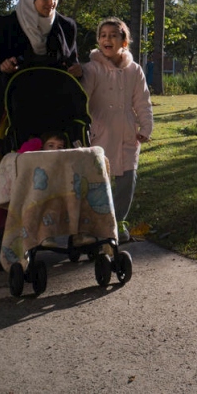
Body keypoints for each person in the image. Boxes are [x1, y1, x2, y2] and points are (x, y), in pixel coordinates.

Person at [0, 0, 80, 266]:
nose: (51, 3)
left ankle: (57, 227)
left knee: (55, 164)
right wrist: (3, 65)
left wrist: (76, 69)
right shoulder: (9, 23)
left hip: (55, 108)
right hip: (15, 107)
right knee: (11, 165)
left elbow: (73, 60)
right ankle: (3, 232)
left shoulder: (66, 26)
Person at [79, 17, 153, 243]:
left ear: (124, 41)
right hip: (100, 134)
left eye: (113, 35)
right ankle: (91, 226)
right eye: (103, 35)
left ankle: (118, 222)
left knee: (126, 181)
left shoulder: (135, 70)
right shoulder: (91, 69)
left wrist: (145, 127)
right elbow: (82, 99)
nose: (107, 39)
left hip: (128, 134)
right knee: (97, 182)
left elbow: (142, 101)